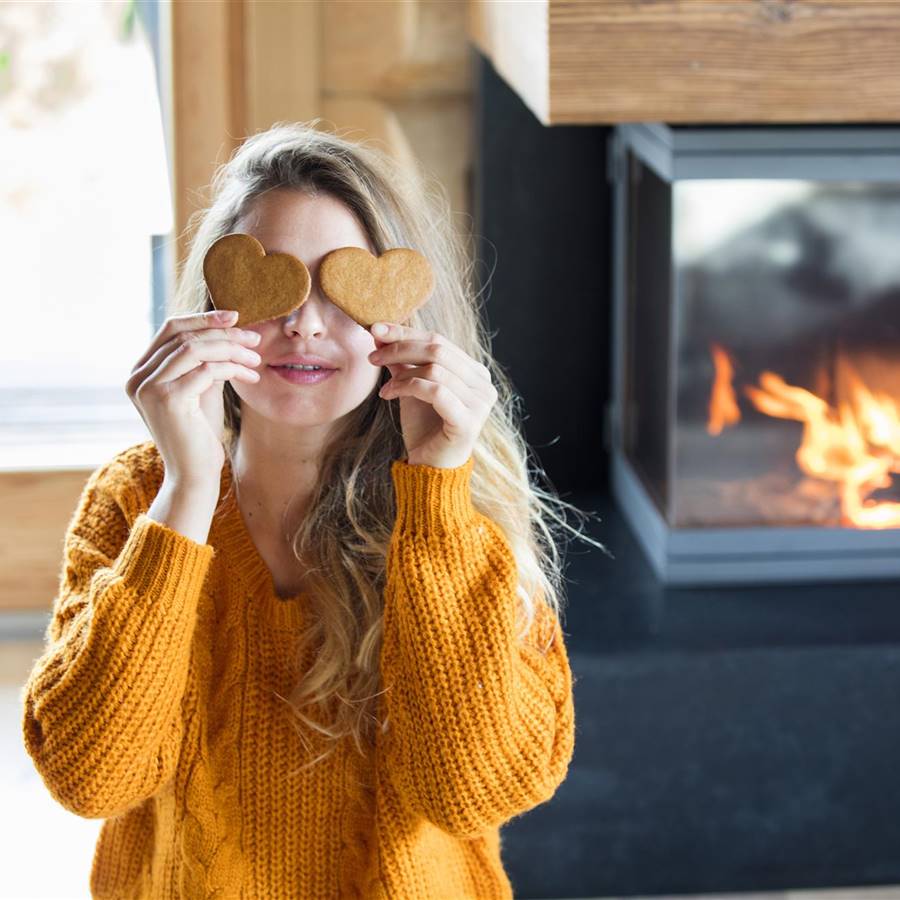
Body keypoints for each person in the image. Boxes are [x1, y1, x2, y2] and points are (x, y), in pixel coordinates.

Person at [21, 120, 594, 899]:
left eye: (346, 286)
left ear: (403, 312)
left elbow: (475, 791)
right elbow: (91, 778)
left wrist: (433, 493)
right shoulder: (135, 500)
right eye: (273, 284)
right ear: (210, 305)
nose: (305, 323)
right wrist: (188, 492)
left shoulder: (466, 512)